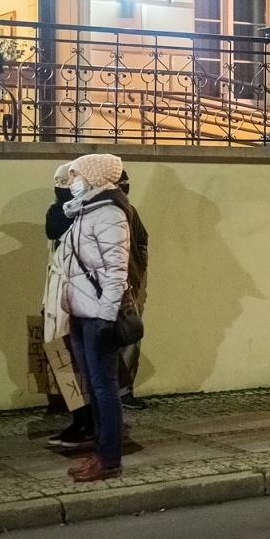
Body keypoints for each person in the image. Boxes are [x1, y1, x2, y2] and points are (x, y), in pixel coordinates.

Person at [60, 153, 133, 482]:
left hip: (97, 317)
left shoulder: (109, 213)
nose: (72, 182)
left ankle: (109, 460)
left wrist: (105, 317)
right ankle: (100, 452)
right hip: (80, 312)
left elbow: (116, 272)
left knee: (104, 389)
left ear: (92, 177)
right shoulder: (85, 210)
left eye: (76, 175)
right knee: (93, 386)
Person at [45, 162, 94, 450]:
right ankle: (80, 417)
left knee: (82, 361)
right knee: (65, 359)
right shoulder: (60, 211)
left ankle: (89, 421)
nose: (63, 186)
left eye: (67, 181)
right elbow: (53, 231)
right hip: (60, 295)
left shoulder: (93, 211)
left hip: (80, 298)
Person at [117, 167, 151, 410]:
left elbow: (141, 240)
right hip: (106, 287)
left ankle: (124, 390)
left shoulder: (130, 212)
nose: (124, 188)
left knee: (131, 336)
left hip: (128, 286)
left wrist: (137, 270)